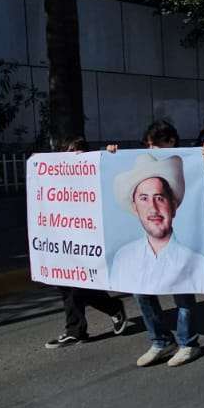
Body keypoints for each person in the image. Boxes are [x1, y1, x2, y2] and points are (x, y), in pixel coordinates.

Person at [107, 120, 204, 368]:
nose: (152, 149)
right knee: (141, 291)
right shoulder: (125, 257)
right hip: (143, 252)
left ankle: (188, 343)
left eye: (160, 198)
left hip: (184, 247)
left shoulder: (189, 163)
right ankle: (161, 341)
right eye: (149, 145)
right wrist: (111, 157)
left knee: (183, 292)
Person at [44, 136, 129, 349]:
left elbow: (116, 177)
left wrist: (112, 157)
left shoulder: (95, 171)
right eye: (68, 152)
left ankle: (86, 324)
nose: (74, 156)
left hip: (89, 238)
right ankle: (85, 324)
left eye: (78, 151)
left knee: (79, 284)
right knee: (67, 283)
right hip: (64, 237)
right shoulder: (58, 175)